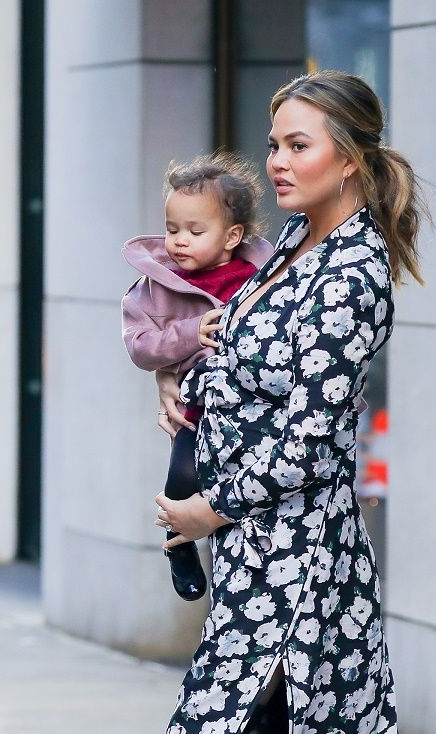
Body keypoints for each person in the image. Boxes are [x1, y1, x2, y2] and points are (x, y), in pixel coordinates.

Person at [24, 69, 431, 734]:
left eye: (297, 144)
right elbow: (241, 352)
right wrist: (182, 384)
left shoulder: (352, 270)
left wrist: (214, 502)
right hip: (264, 564)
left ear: (349, 154)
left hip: (303, 573)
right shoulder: (293, 250)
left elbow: (316, 432)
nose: (277, 162)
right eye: (275, 142)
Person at [122, 153, 273, 599]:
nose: (179, 242)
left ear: (232, 236)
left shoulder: (263, 274)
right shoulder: (155, 284)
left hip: (254, 408)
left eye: (194, 231)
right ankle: (178, 543)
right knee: (183, 476)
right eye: (172, 230)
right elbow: (140, 345)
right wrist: (190, 334)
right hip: (196, 410)